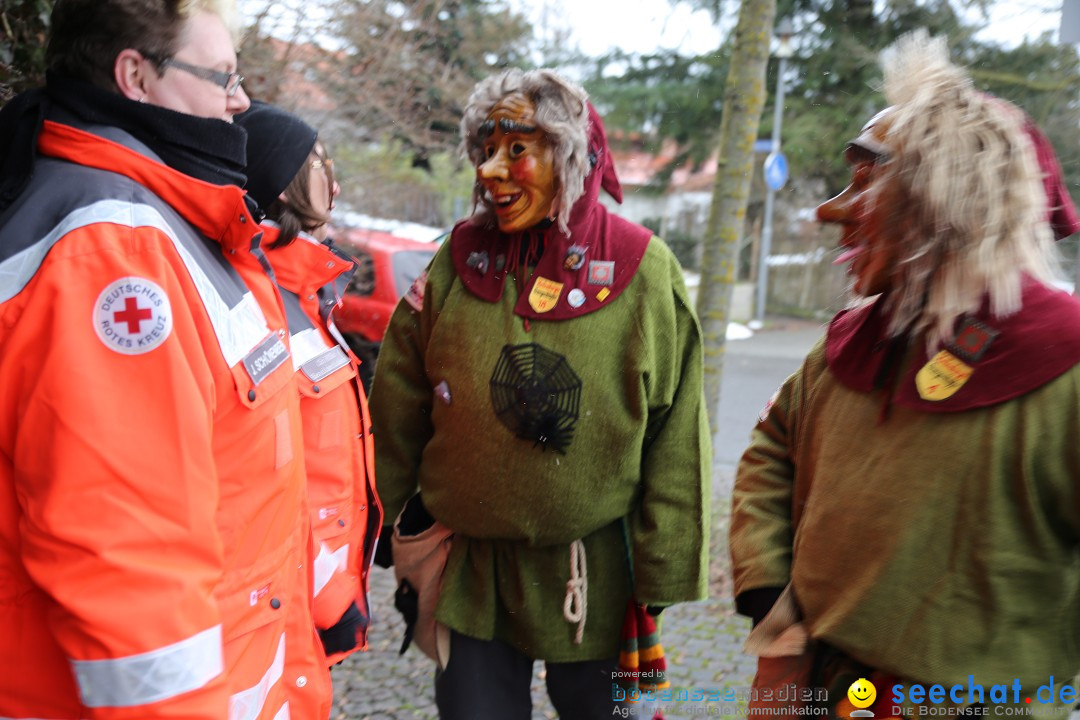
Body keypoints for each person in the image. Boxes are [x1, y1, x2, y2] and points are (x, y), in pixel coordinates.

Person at [729, 30, 1080, 715]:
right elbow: (772, 452)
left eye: (863, 181)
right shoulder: (852, 340)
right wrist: (776, 617)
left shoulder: (1066, 361)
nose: (828, 212)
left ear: (943, 200)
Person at [0, 2, 330, 718]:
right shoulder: (111, 252)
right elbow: (127, 565)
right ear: (136, 77)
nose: (241, 103)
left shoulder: (167, 222)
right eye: (223, 78)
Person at [369, 68, 711, 719]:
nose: (492, 171)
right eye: (485, 150)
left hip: (599, 578)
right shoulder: (455, 262)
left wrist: (662, 568)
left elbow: (676, 432)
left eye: (517, 150)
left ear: (570, 156)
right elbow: (399, 402)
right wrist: (384, 520)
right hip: (472, 576)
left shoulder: (643, 268)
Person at [237, 100, 383, 666]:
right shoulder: (258, 301)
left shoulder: (305, 296)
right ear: (284, 181)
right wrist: (323, 594)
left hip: (313, 601)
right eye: (321, 165)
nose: (338, 186)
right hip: (284, 606)